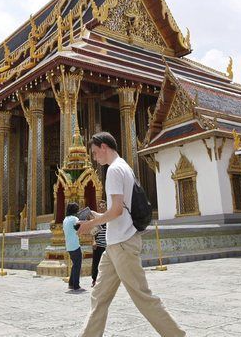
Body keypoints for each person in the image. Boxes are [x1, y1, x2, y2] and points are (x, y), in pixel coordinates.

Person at [78, 132, 185, 337]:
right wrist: (96, 215)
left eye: (94, 152)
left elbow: (116, 211)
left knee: (142, 297)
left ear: (103, 147)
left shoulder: (114, 171)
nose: (94, 158)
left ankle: (177, 335)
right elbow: (119, 212)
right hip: (114, 245)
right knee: (99, 296)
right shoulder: (123, 167)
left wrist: (91, 224)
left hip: (123, 245)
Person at [63, 202, 83, 293]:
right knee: (77, 265)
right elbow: (79, 228)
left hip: (69, 245)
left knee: (74, 264)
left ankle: (71, 283)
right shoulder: (75, 218)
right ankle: (76, 285)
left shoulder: (65, 219)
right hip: (75, 245)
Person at [91, 200, 107, 288]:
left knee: (107, 264)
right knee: (96, 263)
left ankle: (106, 281)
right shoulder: (97, 219)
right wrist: (94, 241)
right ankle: (94, 279)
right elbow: (93, 232)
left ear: (106, 207)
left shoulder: (109, 218)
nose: (101, 208)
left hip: (107, 245)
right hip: (98, 245)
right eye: (100, 206)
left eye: (103, 206)